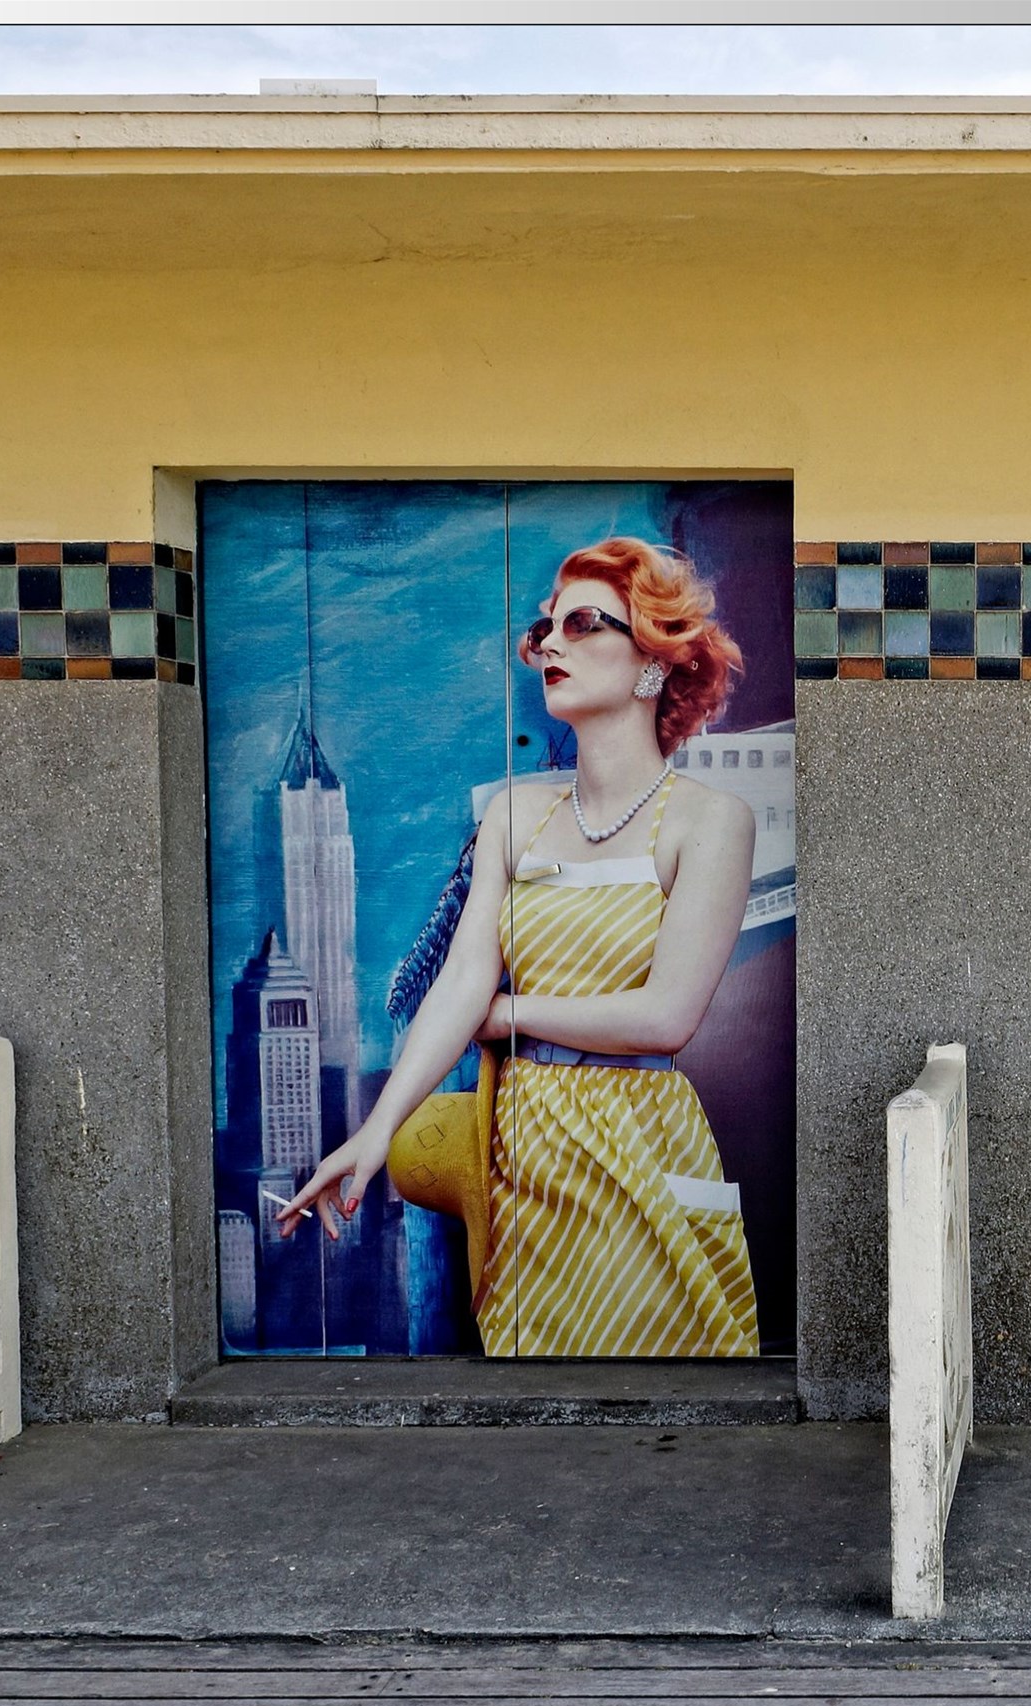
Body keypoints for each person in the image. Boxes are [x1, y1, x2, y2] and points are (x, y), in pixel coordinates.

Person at [278, 538, 762, 1358]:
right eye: (546, 631)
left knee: (668, 1396)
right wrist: (375, 1133)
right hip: (525, 1153)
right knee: (535, 1399)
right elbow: (460, 980)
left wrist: (503, 1014)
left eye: (582, 624)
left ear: (653, 659)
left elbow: (667, 1017)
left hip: (641, 1144)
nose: (552, 646)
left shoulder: (710, 821)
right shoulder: (512, 816)